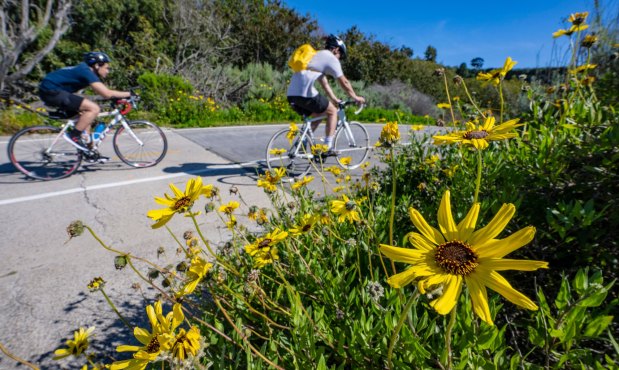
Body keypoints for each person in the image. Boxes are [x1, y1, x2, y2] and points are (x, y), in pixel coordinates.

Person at [38, 51, 132, 154]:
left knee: (85, 118)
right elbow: (106, 93)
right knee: (94, 108)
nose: (108, 71)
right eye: (106, 68)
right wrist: (130, 94)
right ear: (97, 65)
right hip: (51, 91)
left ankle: (90, 151)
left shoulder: (85, 70)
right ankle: (74, 135)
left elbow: (105, 94)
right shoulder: (86, 71)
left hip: (52, 91)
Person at [287, 34, 366, 155]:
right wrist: (356, 97)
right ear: (336, 49)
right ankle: (328, 147)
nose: (339, 59)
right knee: (333, 111)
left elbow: (324, 83)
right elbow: (344, 81)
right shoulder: (331, 58)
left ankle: (302, 142)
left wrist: (334, 99)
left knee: (319, 113)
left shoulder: (317, 56)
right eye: (341, 56)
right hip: (305, 93)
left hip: (291, 95)